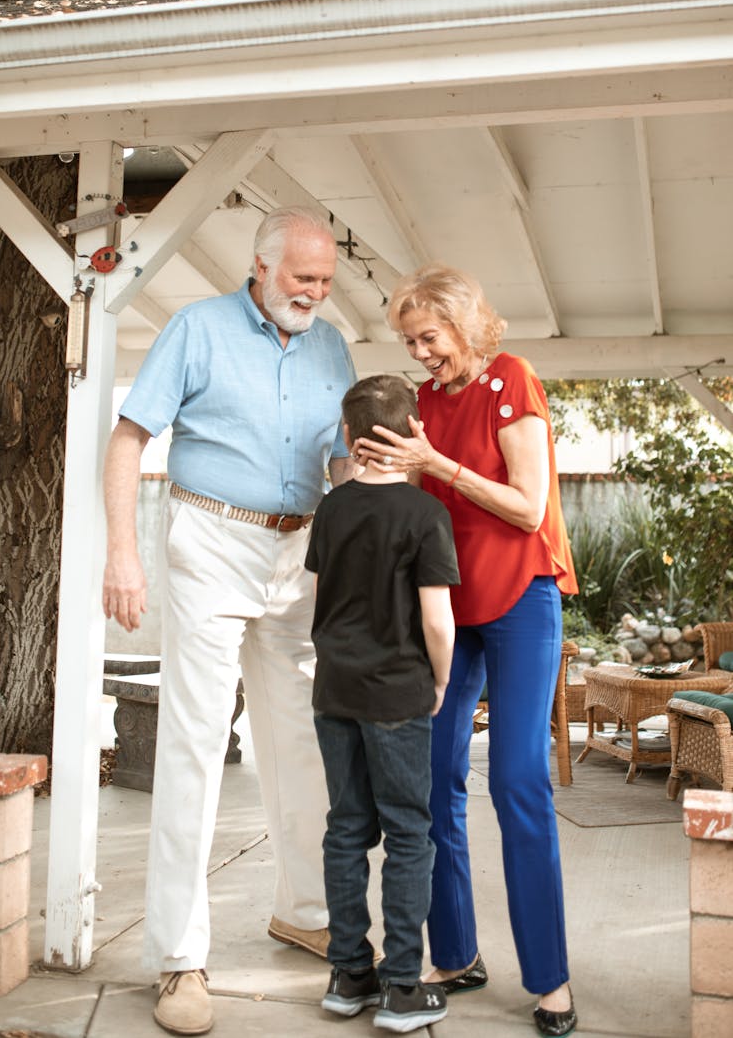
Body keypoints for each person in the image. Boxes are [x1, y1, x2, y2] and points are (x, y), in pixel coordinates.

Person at [102, 206, 358, 1037]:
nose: (315, 294)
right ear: (261, 266)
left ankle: (305, 909)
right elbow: (127, 438)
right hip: (208, 537)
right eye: (302, 280)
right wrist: (123, 555)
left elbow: (341, 458)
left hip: (300, 552)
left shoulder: (330, 343)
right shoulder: (198, 328)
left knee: (303, 738)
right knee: (195, 740)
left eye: (324, 281)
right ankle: (179, 956)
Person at [353, 265, 580, 1038]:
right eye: (410, 341)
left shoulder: (510, 379)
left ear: (465, 325)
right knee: (430, 774)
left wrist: (438, 466)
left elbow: (528, 505)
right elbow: (415, 502)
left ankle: (550, 979)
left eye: (431, 337)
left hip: (520, 596)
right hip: (448, 605)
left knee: (517, 777)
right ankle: (455, 954)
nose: (421, 353)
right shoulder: (422, 406)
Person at [305, 374, 460, 1034]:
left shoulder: (331, 509)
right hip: (398, 691)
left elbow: (323, 598)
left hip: (335, 688)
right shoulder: (425, 515)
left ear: (348, 436)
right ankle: (401, 984)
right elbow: (437, 619)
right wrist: (443, 680)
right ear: (411, 436)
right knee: (407, 831)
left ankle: (348, 974)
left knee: (345, 826)